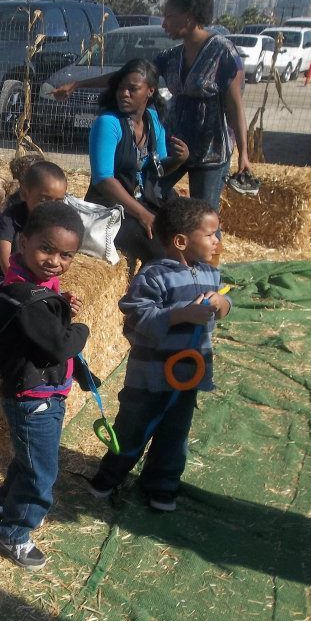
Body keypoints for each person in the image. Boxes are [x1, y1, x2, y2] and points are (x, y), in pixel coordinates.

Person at [88, 196, 232, 511]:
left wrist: (222, 306)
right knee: (133, 428)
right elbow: (135, 316)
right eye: (209, 234)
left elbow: (221, 304)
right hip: (150, 376)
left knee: (174, 435)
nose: (216, 240)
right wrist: (178, 315)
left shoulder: (210, 273)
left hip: (187, 377)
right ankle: (109, 476)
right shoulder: (153, 275)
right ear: (181, 241)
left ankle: (162, 485)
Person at [54, 0, 250, 212]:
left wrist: (244, 153)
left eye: (169, 17)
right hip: (175, 144)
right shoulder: (173, 56)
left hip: (210, 151)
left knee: (203, 215)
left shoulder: (222, 52)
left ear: (189, 16)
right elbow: (131, 75)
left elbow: (235, 106)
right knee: (152, 194)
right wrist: (78, 84)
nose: (164, 23)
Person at [0, 202, 90, 570]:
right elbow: (60, 344)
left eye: (66, 255)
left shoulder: (33, 286)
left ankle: (7, 504)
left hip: (41, 394)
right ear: (22, 242)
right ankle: (13, 530)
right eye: (47, 249)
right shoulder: (26, 300)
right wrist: (81, 330)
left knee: (28, 460)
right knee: (42, 471)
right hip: (33, 398)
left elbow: (47, 312)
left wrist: (62, 305)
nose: (55, 261)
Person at [86, 59, 189, 265]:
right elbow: (103, 179)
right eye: (121, 88)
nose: (124, 93)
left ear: (150, 91)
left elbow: (157, 169)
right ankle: (151, 293)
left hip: (144, 201)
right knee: (161, 252)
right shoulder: (108, 123)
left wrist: (179, 160)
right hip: (113, 210)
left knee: (187, 231)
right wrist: (143, 214)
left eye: (132, 89)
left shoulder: (152, 119)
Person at [0, 160, 68, 284]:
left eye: (58, 201)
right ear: (25, 194)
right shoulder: (12, 215)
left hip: (35, 277)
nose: (50, 207)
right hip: (4, 275)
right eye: (44, 200)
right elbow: (3, 250)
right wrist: (14, 281)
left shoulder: (56, 221)